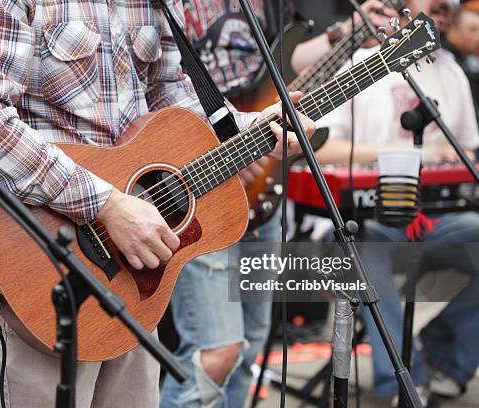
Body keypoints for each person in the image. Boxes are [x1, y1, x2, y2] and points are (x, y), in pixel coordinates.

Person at [0, 0, 315, 407]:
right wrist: (105, 205)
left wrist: (251, 127)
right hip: (40, 253)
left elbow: (171, 95)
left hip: (136, 265)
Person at [160, 1, 397, 407]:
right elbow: (157, 84)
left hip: (260, 185)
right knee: (217, 351)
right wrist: (222, 149)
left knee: (251, 344)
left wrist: (348, 32)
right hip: (194, 177)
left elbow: (280, 58)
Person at [316, 0, 479, 404]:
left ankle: (444, 360)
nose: (446, 5)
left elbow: (470, 151)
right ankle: (404, 382)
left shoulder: (451, 69)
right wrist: (398, 152)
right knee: (364, 257)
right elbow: (321, 148)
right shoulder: (359, 64)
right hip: (360, 223)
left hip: (435, 218)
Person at [445, 1, 479, 125]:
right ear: (453, 32)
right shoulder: (449, 64)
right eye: (472, 30)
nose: (478, 37)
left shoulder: (466, 60)